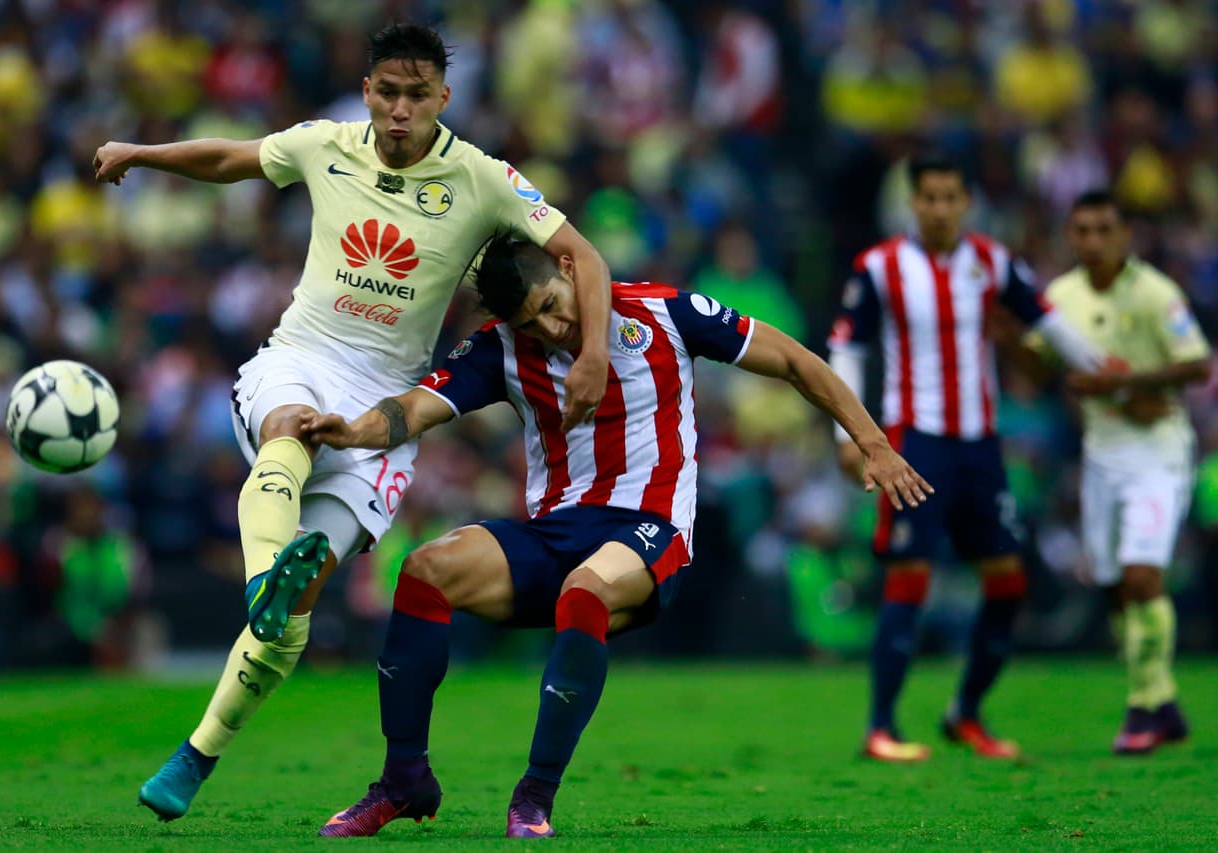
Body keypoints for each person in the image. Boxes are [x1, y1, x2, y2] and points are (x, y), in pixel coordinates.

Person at [92, 22, 614, 821]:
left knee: (290, 628)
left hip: (385, 408)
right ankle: (268, 574)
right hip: (300, 356)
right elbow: (232, 158)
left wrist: (590, 355)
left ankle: (195, 754)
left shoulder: (482, 178)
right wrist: (143, 153)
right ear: (368, 91)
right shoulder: (323, 143)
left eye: (418, 95)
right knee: (290, 431)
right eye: (388, 93)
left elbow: (583, 255)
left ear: (443, 97)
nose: (401, 111)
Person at [299, 233, 932, 838]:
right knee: (424, 569)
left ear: (571, 273)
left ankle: (534, 797)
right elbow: (415, 410)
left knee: (586, 590)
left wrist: (872, 443)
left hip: (650, 531)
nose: (548, 329)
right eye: (530, 322)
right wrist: (351, 431)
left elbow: (794, 359)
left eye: (550, 306)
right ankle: (403, 779)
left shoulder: (664, 312)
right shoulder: (500, 349)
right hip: (554, 531)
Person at [826, 154, 1101, 762]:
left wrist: (1105, 371)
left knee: (1007, 582)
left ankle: (966, 713)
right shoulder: (880, 267)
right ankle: (881, 728)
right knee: (909, 577)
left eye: (951, 197)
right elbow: (847, 346)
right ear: (913, 203)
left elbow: (1047, 322)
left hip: (980, 444)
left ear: (965, 202)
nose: (940, 209)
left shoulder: (992, 262)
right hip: (914, 442)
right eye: (929, 198)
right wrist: (847, 435)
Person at [1029, 190, 1209, 753]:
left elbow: (1198, 364)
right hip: (1101, 456)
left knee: (1141, 578)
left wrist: (1126, 385)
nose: (1093, 241)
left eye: (1104, 229)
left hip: (1158, 449)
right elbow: (1040, 363)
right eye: (1082, 230)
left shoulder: (1156, 293)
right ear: (1070, 236)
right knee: (1112, 588)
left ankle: (1141, 709)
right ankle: (1166, 701)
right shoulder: (1060, 298)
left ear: (1124, 234)